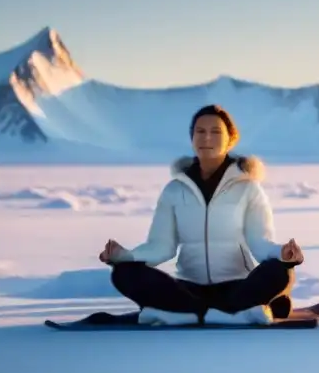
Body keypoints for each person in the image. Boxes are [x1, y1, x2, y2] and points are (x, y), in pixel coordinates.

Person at [98, 104, 304, 326]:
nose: (207, 138)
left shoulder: (249, 189)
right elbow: (161, 247)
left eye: (216, 132)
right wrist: (125, 257)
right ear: (192, 138)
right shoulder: (174, 190)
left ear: (230, 139)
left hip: (238, 287)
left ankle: (189, 313)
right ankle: (216, 313)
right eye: (200, 131)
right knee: (124, 273)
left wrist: (283, 255)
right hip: (189, 290)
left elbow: (259, 242)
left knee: (280, 272)